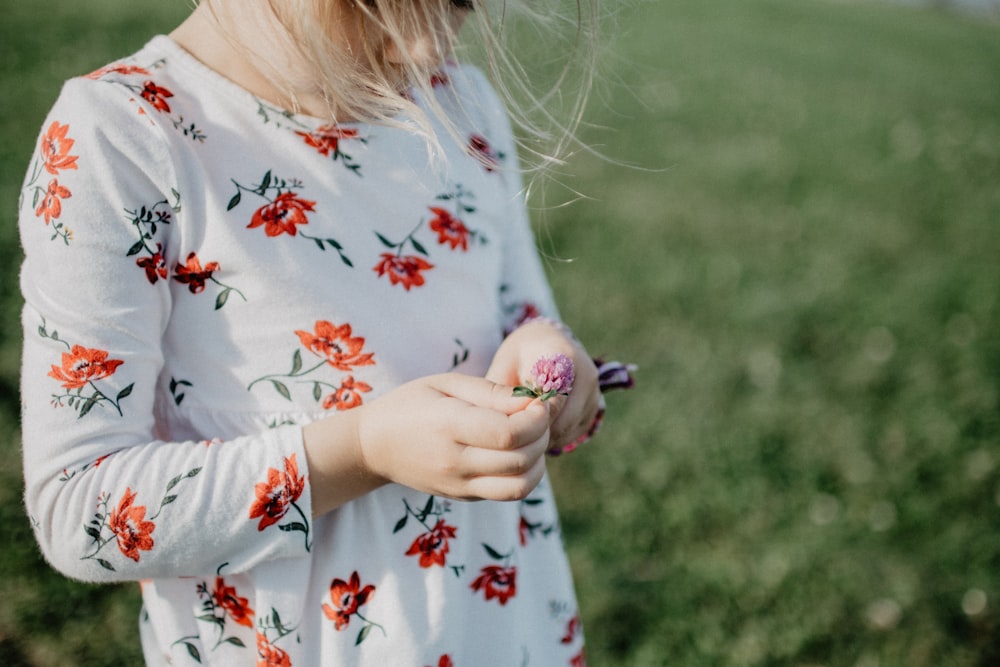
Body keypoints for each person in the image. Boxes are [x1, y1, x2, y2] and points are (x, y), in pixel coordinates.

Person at [18, 0, 624, 664]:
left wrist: (551, 370)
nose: (425, 50)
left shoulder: (459, 105)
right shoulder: (127, 137)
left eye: (458, 4)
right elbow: (81, 510)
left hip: (497, 637)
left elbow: (524, 320)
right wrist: (360, 449)